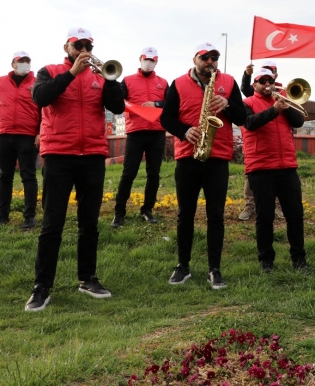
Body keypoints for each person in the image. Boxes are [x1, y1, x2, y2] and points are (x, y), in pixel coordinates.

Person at [24, 28, 125, 312]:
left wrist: (111, 80)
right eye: (77, 44)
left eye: (88, 44)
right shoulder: (49, 71)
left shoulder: (99, 75)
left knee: (89, 222)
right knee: (52, 223)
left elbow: (116, 107)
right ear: (66, 47)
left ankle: (88, 278)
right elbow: (41, 98)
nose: (83, 48)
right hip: (58, 155)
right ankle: (42, 286)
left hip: (92, 155)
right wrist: (71, 74)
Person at [160, 42, 246, 290]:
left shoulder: (228, 82)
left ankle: (214, 268)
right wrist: (184, 131)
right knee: (185, 214)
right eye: (205, 57)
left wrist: (227, 103)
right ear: (195, 59)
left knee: (216, 215)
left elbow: (242, 118)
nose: (210, 61)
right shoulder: (177, 83)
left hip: (217, 157)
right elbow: (166, 118)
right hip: (188, 155)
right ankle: (183, 265)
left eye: (214, 57)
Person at [242, 67, 307, 272]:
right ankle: (266, 260)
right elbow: (250, 123)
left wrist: (286, 106)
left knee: (295, 215)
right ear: (255, 85)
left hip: (287, 166)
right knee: (265, 217)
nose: (267, 85)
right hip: (260, 168)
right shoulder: (247, 103)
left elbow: (299, 121)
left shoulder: (283, 102)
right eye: (262, 81)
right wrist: (274, 110)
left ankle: (299, 259)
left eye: (270, 81)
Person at [112, 47, 168, 227]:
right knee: (129, 173)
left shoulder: (163, 82)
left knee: (154, 173)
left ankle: (147, 209)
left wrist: (157, 103)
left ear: (157, 61)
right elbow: (117, 102)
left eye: (152, 60)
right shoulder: (127, 81)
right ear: (140, 59)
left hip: (157, 132)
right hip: (136, 131)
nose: (149, 62)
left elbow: (171, 104)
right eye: (146, 59)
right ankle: (119, 213)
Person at [0, 51, 41, 229]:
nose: (24, 64)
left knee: (28, 176)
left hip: (28, 136)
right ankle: (2, 216)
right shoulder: (1, 83)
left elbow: (44, 110)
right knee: (4, 177)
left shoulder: (37, 83)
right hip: (3, 135)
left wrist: (40, 133)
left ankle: (29, 217)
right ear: (13, 64)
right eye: (21, 61)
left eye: (27, 61)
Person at [239, 60, 279, 219]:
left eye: (271, 73)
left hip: (277, 140)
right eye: (264, 75)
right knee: (252, 174)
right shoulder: (258, 87)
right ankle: (250, 206)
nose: (267, 82)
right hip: (257, 142)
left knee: (279, 175)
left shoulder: (279, 90)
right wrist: (246, 75)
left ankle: (278, 206)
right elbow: (245, 89)